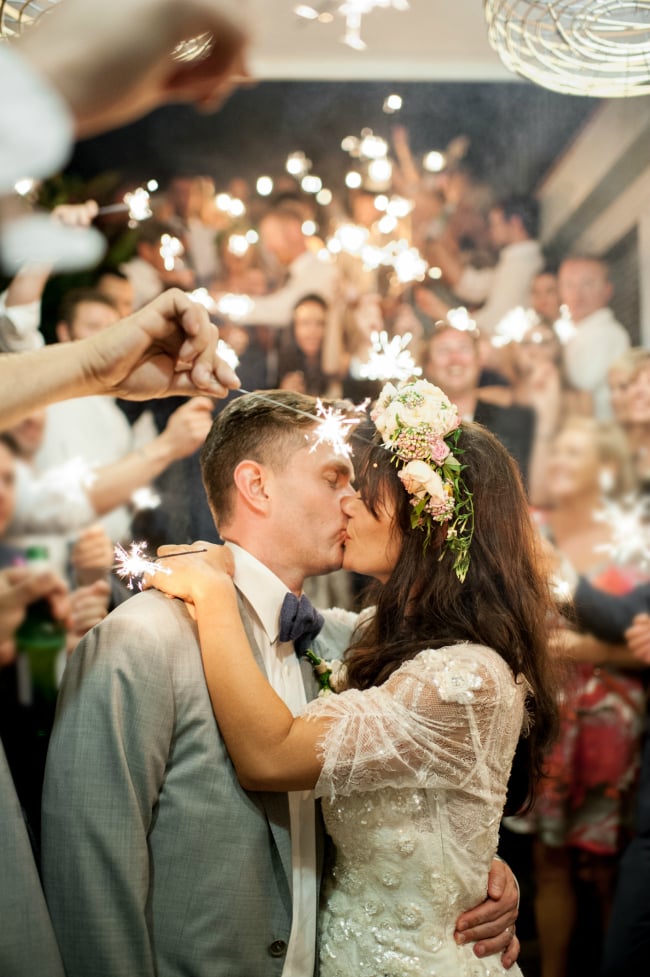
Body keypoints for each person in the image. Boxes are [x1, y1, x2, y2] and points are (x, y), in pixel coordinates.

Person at [42, 388, 523, 977]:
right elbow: (90, 876)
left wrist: (471, 866)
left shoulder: (351, 648)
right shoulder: (143, 641)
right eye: (333, 477)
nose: (353, 500)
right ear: (256, 485)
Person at [558, 257, 630, 420]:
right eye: (569, 285)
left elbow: (580, 384)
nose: (577, 294)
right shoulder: (576, 334)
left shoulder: (608, 333)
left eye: (587, 283)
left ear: (607, 290)